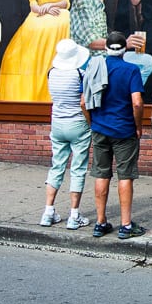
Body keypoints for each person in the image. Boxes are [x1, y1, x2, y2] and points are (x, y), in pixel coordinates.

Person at [83, 31, 146, 240]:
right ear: (124, 48)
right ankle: (126, 225)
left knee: (101, 174)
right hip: (124, 129)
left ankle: (101, 222)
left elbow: (84, 102)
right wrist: (138, 126)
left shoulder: (94, 67)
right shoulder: (131, 70)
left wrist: (93, 123)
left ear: (106, 48)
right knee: (125, 175)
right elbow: (137, 102)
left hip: (100, 128)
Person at [70, 0, 152, 84]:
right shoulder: (84, 2)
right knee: (143, 63)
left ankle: (121, 95)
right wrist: (124, 43)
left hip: (105, 57)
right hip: (93, 63)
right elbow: (91, 42)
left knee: (147, 61)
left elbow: (103, 37)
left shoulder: (98, 1)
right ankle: (123, 96)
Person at [39, 38, 92, 230]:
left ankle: (48, 211)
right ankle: (74, 215)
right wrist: (90, 122)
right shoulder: (80, 74)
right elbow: (83, 102)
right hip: (77, 123)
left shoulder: (51, 73)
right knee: (77, 169)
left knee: (57, 166)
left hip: (58, 123)